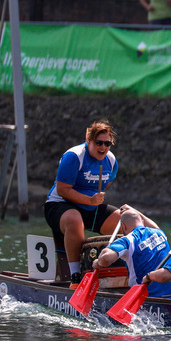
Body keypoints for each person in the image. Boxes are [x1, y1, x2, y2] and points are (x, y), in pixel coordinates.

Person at [44, 119, 133, 283]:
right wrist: (89, 199)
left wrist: (92, 201)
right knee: (74, 219)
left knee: (125, 222)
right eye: (99, 143)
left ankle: (126, 274)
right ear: (89, 141)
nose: (103, 147)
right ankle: (75, 276)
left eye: (108, 144)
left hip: (90, 207)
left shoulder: (111, 161)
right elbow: (62, 189)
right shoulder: (74, 157)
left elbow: (108, 182)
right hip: (59, 205)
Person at [91, 207, 171, 299]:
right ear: (142, 221)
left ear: (124, 226)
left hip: (147, 298)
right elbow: (152, 225)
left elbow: (106, 259)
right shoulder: (159, 233)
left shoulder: (127, 240)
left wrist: (98, 262)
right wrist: (134, 211)